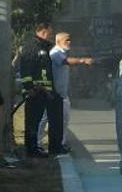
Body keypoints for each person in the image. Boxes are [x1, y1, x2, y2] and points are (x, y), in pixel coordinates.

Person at [37, 33, 94, 151]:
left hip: (62, 94)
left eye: (70, 40)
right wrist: (82, 60)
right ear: (58, 41)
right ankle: (38, 142)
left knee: (64, 118)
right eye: (67, 40)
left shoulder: (61, 52)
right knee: (46, 118)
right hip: (54, 94)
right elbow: (66, 61)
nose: (70, 42)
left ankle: (61, 143)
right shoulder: (56, 52)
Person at [19, 23, 64, 158]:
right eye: (49, 33)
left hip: (47, 92)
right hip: (35, 92)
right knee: (33, 121)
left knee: (52, 119)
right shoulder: (31, 46)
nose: (50, 35)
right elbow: (25, 69)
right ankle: (31, 150)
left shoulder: (46, 47)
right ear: (43, 31)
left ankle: (54, 147)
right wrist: (29, 88)